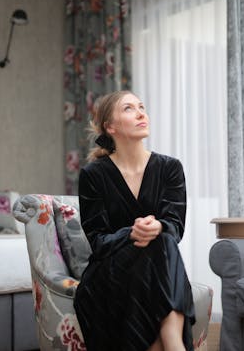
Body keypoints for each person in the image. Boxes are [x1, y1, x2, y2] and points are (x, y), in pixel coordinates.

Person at [73, 90, 195, 351]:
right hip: (110, 273)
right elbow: (98, 241)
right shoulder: (93, 175)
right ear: (110, 126)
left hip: (157, 265)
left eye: (142, 106)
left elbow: (175, 227)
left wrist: (159, 226)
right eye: (129, 108)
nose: (141, 113)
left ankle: (170, 342)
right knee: (162, 246)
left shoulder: (170, 168)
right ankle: (174, 344)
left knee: (162, 241)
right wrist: (131, 232)